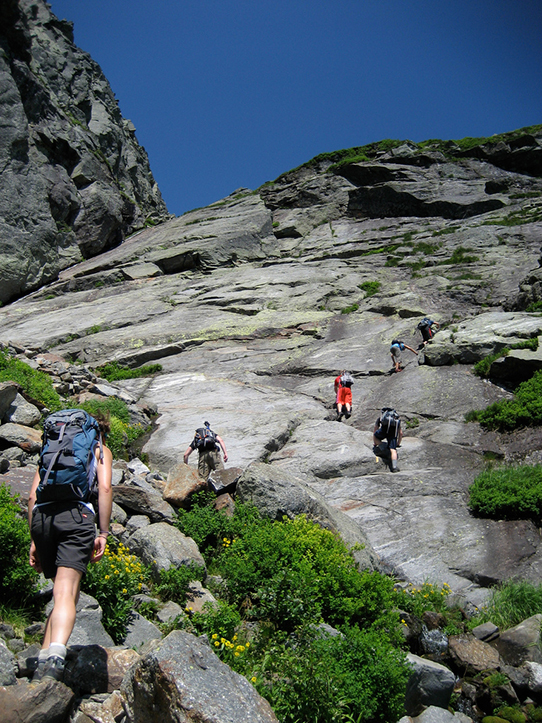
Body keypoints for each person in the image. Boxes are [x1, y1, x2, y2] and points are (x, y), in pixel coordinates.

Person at [28, 411, 113, 683]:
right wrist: (103, 532)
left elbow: (32, 496)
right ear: (98, 431)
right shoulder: (100, 449)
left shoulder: (52, 448)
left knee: (61, 593)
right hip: (76, 517)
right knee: (66, 590)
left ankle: (42, 662)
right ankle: (55, 659)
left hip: (42, 519)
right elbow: (105, 488)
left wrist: (34, 539)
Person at [373, 408, 402, 473]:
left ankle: (383, 449)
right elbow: (400, 433)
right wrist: (398, 443)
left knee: (375, 436)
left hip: (383, 432)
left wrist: (375, 442)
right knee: (393, 450)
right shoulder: (396, 418)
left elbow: (375, 428)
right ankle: (394, 467)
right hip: (393, 434)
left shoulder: (381, 417)